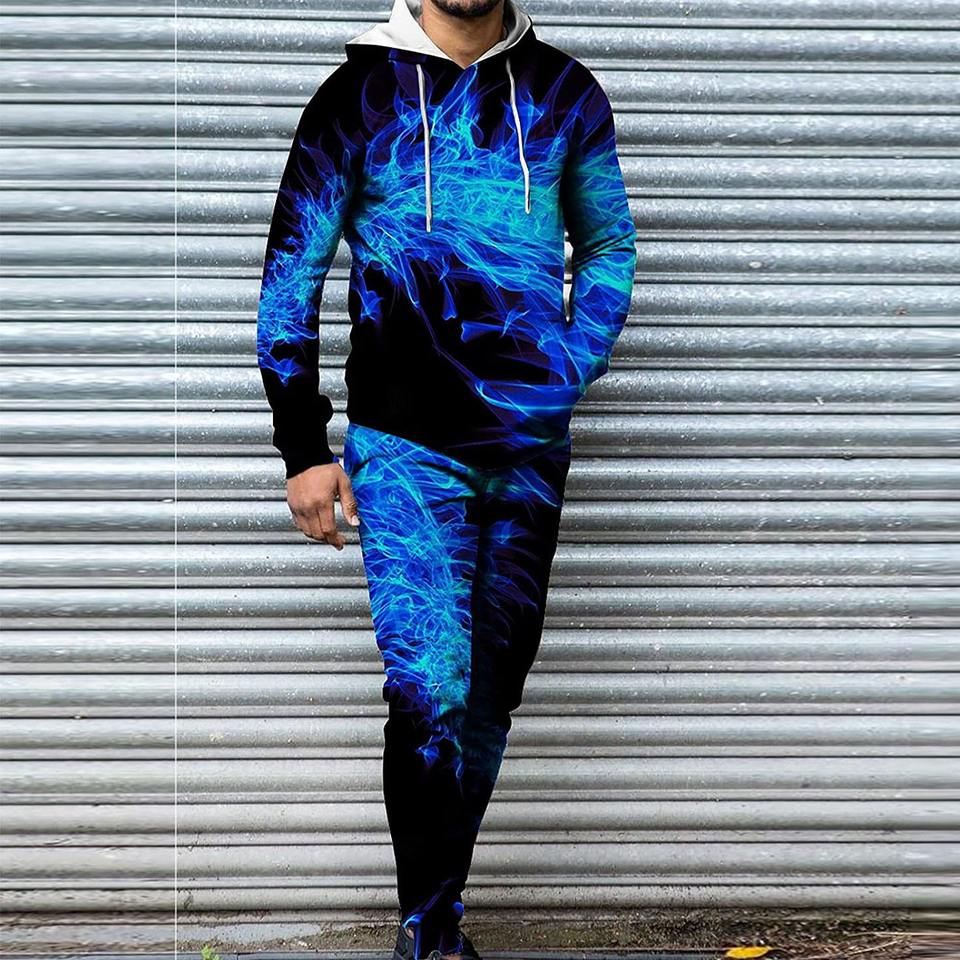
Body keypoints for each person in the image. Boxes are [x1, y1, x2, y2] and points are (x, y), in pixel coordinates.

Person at [255, 0, 637, 957]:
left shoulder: (564, 93)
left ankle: (437, 917)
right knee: (428, 693)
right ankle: (429, 937)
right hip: (405, 449)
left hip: (528, 451)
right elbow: (291, 276)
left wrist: (564, 369)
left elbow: (608, 245)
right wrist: (303, 446)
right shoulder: (355, 98)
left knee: (492, 695)